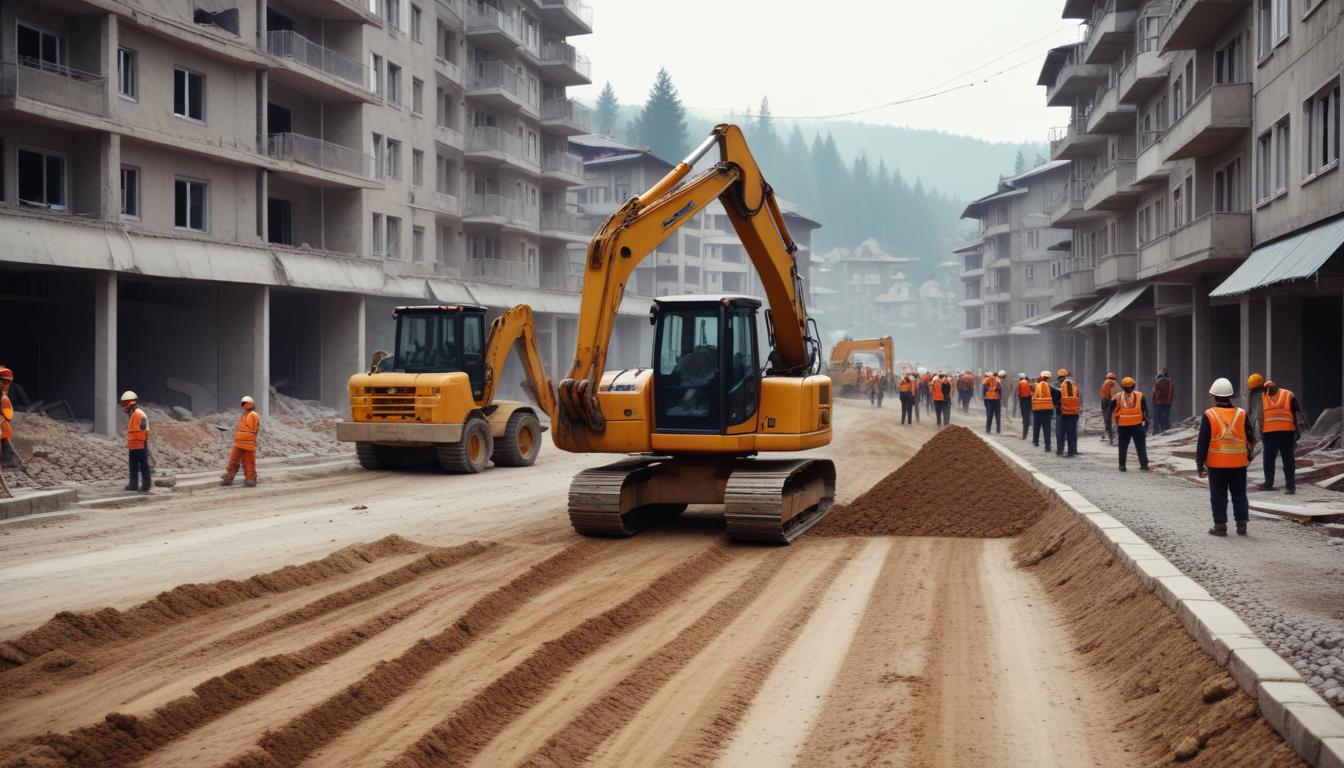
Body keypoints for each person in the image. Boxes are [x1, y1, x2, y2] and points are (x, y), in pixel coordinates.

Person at [1197, 377, 1254, 536]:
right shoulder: (1241, 414)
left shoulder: (1209, 414)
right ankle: (1242, 525)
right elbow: (1250, 437)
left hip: (1217, 464)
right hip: (1238, 463)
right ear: (1230, 395)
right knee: (1239, 493)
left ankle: (1220, 526)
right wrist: (1248, 455)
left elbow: (1203, 441)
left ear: (1214, 396)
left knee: (1218, 495)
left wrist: (1199, 463)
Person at [1257, 378, 1306, 495]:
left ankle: (1268, 484)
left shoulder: (1263, 397)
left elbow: (1260, 417)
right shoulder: (1288, 394)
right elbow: (1296, 413)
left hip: (1270, 433)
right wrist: (1297, 430)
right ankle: (1290, 487)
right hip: (1287, 432)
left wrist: (1260, 430)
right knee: (1288, 459)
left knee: (1269, 460)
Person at [222, 395, 262, 487]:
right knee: (247, 462)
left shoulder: (251, 415)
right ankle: (249, 479)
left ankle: (230, 478)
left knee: (235, 461)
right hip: (245, 442)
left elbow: (252, 429)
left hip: (242, 442)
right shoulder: (249, 415)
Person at [1113, 376, 1149, 472]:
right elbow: (1145, 410)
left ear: (1122, 386)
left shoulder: (1117, 396)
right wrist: (1146, 423)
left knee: (1123, 446)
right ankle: (1144, 465)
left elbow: (1111, 409)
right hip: (1137, 425)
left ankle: (1122, 466)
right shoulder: (1140, 395)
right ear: (1134, 385)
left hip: (1123, 426)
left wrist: (1111, 421)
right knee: (1141, 445)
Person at [121, 390, 151, 492]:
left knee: (143, 466)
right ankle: (133, 485)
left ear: (131, 403)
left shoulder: (139, 414)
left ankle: (146, 486)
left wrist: (143, 442)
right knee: (133, 467)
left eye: (125, 403)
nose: (124, 406)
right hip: (133, 445)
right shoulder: (133, 415)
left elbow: (144, 427)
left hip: (141, 444)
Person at [1055, 368, 1081, 457]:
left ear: (1059, 377)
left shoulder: (1059, 386)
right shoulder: (1074, 385)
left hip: (1062, 413)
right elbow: (1079, 397)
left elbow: (1057, 400)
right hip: (1074, 413)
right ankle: (1073, 451)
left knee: (1060, 432)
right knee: (1072, 433)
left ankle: (1060, 450)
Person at [1031, 370, 1055, 451]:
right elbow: (1054, 397)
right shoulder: (1049, 386)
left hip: (1037, 409)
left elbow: (1034, 396)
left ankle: (1035, 441)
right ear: (1048, 378)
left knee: (1036, 426)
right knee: (1046, 428)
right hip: (1046, 410)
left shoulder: (1037, 386)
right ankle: (1047, 446)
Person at [0, 366, 16, 469]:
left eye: (8, 383)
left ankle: (8, 459)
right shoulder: (3, 398)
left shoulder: (3, 398)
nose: (8, 386)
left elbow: (8, 416)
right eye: (6, 382)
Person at [1098, 372, 1119, 445]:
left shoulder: (1106, 382)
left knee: (1107, 419)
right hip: (1111, 402)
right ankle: (1110, 436)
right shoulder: (1115, 383)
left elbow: (1102, 393)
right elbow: (1116, 394)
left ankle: (1109, 435)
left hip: (1105, 401)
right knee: (1111, 418)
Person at [1152, 368, 1174, 435]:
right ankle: (1165, 429)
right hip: (1166, 403)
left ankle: (1156, 431)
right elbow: (1171, 392)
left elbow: (1154, 392)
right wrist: (1169, 400)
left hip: (1158, 403)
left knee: (1157, 417)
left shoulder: (1157, 381)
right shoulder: (1170, 381)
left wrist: (1153, 401)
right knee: (1165, 417)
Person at [982, 369, 1002, 435]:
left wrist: (985, 397)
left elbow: (984, 387)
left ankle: (988, 429)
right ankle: (998, 430)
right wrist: (1000, 397)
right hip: (996, 399)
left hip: (989, 399)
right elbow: (999, 389)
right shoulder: (998, 379)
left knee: (989, 415)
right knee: (997, 416)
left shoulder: (987, 379)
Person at [1017, 373, 1033, 439]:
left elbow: (1019, 393)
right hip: (1029, 401)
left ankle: (1024, 434)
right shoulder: (1029, 384)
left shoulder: (1020, 383)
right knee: (1027, 417)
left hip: (1023, 401)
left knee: (1025, 418)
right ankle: (1025, 432)